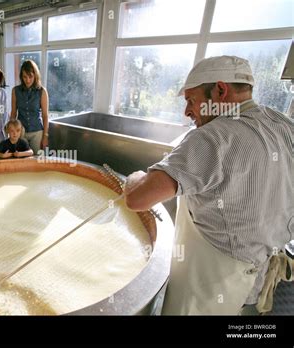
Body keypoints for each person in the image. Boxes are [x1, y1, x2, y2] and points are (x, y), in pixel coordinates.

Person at [124, 55, 293, 315]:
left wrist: (135, 179)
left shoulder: (213, 137)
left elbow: (138, 199)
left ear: (220, 90)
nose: (187, 111)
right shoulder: (283, 125)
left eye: (191, 100)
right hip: (256, 278)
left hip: (208, 284)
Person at [11, 60, 49, 154]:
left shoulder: (42, 91)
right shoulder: (15, 90)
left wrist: (45, 136)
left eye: (30, 76)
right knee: (22, 160)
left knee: (37, 161)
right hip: (21, 132)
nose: (27, 80)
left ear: (35, 75)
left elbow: (45, 116)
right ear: (21, 76)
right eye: (24, 77)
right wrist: (12, 133)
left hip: (37, 133)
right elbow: (13, 113)